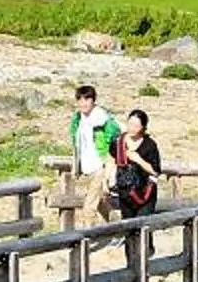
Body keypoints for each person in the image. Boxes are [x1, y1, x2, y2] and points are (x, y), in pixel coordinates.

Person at [69, 82, 118, 223]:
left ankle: (86, 239)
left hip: (100, 166)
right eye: (80, 99)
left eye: (87, 99)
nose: (83, 103)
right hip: (87, 166)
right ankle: (119, 226)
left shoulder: (102, 119)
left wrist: (108, 166)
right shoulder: (78, 119)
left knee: (89, 205)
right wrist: (75, 165)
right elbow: (77, 144)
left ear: (93, 100)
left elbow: (113, 142)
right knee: (99, 201)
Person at [112, 108, 165, 219]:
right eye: (130, 124)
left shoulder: (149, 145)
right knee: (128, 227)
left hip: (145, 194)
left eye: (136, 126)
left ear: (143, 128)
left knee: (143, 227)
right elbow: (111, 159)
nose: (132, 128)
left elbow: (155, 171)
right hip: (125, 193)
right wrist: (106, 180)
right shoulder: (118, 142)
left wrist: (138, 160)